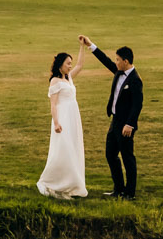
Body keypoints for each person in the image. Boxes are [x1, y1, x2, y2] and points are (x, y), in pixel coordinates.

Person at [80, 34, 143, 199]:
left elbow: (137, 104)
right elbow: (106, 60)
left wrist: (130, 124)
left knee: (128, 157)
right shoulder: (118, 71)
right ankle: (118, 189)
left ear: (126, 61)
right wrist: (90, 45)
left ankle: (129, 193)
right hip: (115, 121)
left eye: (118, 60)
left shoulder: (135, 80)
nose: (115, 62)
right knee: (110, 154)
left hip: (125, 125)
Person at [35, 39, 90, 199]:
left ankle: (73, 181)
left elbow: (80, 65)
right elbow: (53, 104)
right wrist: (57, 123)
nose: (70, 66)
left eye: (70, 63)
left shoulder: (68, 78)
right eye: (67, 63)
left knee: (73, 147)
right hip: (63, 118)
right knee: (63, 149)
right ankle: (54, 180)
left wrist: (82, 47)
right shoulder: (55, 81)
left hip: (73, 117)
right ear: (60, 64)